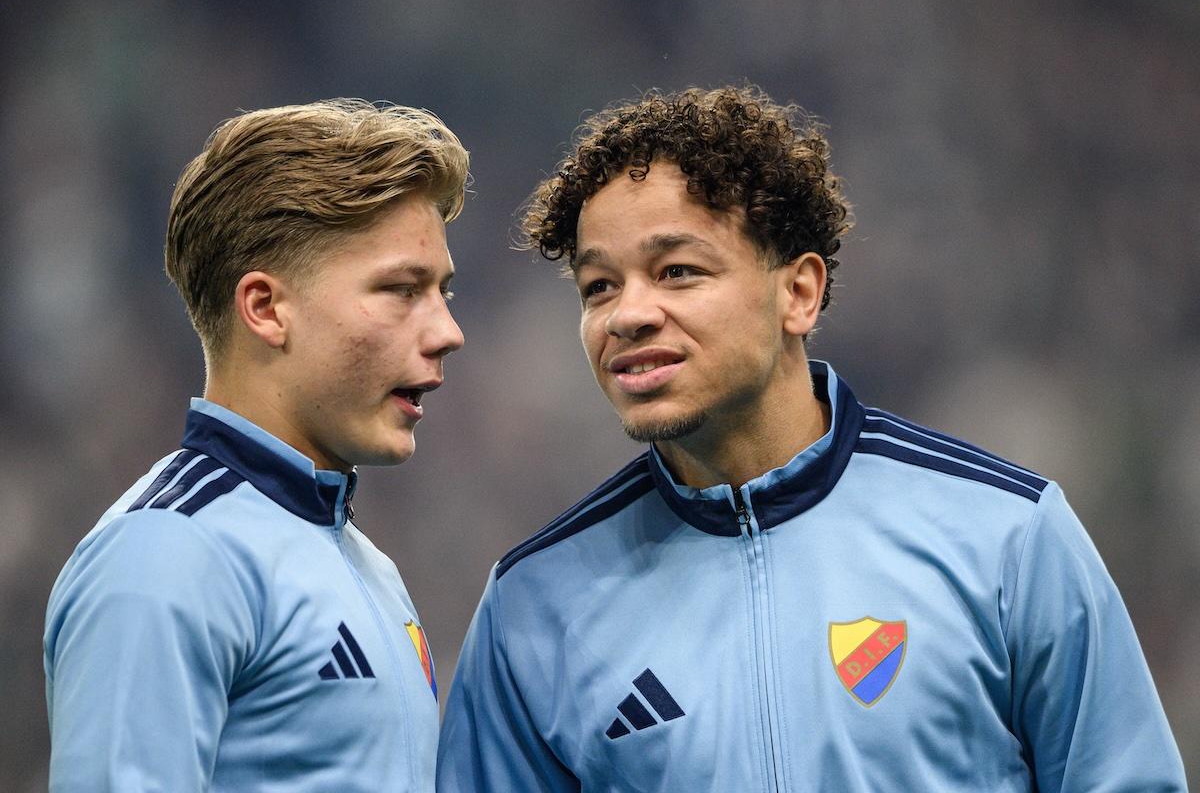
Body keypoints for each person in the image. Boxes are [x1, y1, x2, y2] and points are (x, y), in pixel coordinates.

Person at [436, 86, 1185, 791]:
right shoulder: (531, 610)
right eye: (599, 286)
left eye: (677, 271)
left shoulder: (1008, 538)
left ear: (799, 292)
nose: (627, 314)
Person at [44, 99, 467, 791]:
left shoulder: (366, 565)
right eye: (402, 290)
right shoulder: (165, 555)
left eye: (444, 292)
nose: (448, 332)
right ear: (266, 309)